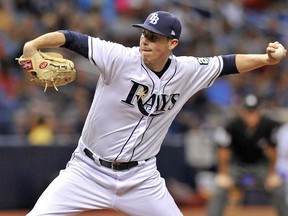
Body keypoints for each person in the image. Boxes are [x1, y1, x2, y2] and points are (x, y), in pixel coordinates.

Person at [20, 11, 286, 216]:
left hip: (141, 179)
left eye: (154, 37)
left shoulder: (187, 70)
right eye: (144, 34)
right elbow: (70, 37)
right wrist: (33, 44)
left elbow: (228, 63)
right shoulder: (119, 57)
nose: (145, 41)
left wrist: (267, 59)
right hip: (87, 171)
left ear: (173, 43)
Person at [207, 94, 287, 216]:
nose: (251, 116)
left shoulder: (268, 125)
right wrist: (223, 174)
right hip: (237, 165)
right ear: (242, 111)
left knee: (278, 188)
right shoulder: (231, 125)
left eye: (254, 112)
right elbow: (223, 151)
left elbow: (272, 151)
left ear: (259, 111)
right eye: (248, 112)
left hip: (260, 165)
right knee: (219, 189)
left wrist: (272, 174)